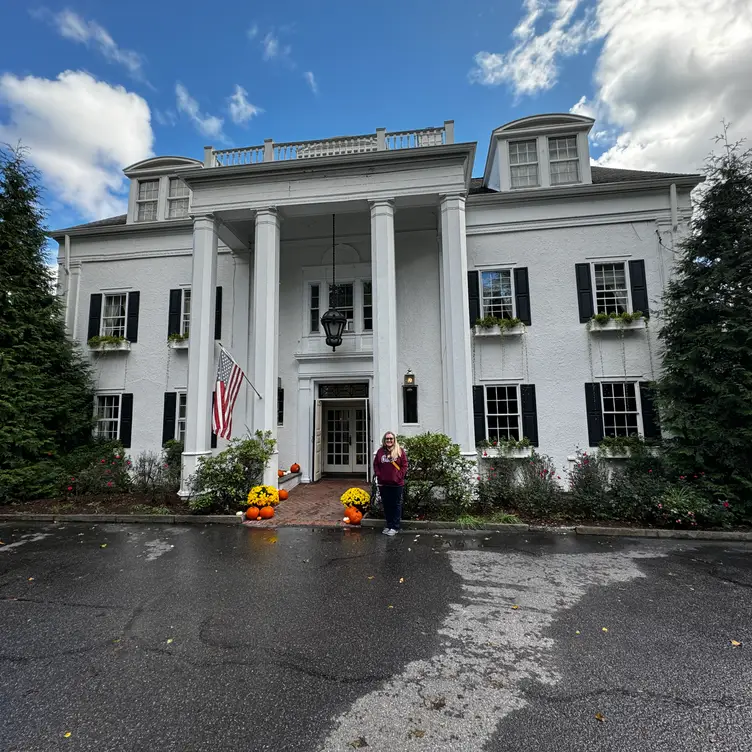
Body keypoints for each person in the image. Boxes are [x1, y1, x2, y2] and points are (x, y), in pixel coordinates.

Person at [373, 431, 408, 536]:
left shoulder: (400, 451)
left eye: (391, 438)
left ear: (394, 440)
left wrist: (399, 476)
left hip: (396, 484)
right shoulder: (380, 452)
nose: (389, 440)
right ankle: (389, 525)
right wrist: (380, 475)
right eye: (387, 439)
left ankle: (395, 527)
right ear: (384, 440)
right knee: (387, 505)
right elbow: (376, 465)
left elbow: (404, 465)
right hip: (384, 483)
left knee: (396, 504)